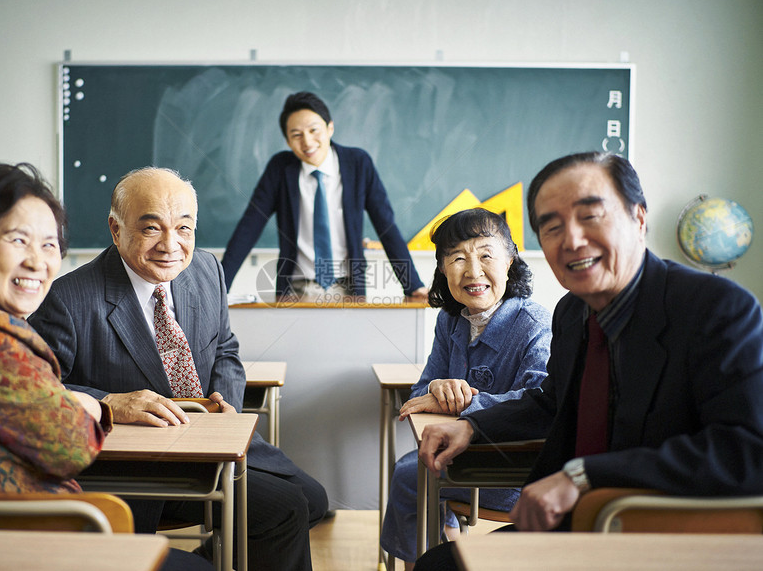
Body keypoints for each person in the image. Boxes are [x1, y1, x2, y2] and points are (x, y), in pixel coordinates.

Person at [415, 152, 763, 569]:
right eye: (552, 226)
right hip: (576, 526)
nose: (572, 240)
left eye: (590, 217)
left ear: (638, 218)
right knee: (438, 565)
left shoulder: (715, 307)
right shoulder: (572, 312)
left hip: (665, 533)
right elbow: (550, 402)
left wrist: (584, 476)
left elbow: (746, 448)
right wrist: (473, 425)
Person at [0, 163, 212, 571]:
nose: (37, 261)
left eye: (50, 245)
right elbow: (71, 448)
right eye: (18, 240)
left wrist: (74, 400)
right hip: (7, 541)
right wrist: (94, 406)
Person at [28, 166, 328, 571]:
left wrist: (227, 407)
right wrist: (113, 403)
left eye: (184, 228)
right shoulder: (68, 298)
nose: (171, 245)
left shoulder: (206, 270)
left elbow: (225, 348)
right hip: (137, 464)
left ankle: (215, 558)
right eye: (151, 228)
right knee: (286, 509)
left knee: (314, 500)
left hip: (211, 441)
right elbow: (40, 392)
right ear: (116, 230)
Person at [379, 208, 552, 569]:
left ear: (509, 261)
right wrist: (438, 387)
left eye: (486, 255)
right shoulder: (451, 320)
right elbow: (420, 395)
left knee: (412, 474)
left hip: (516, 467)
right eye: (457, 258)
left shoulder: (535, 323)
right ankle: (444, 547)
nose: (473, 271)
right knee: (413, 467)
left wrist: (464, 403)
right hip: (465, 457)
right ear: (443, 268)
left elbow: (541, 397)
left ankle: (435, 555)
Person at [220, 91, 428, 300]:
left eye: (314, 130)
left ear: (330, 127)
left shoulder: (358, 163)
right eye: (297, 135)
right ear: (288, 140)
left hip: (349, 287)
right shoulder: (280, 168)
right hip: (295, 289)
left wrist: (413, 285)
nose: (308, 142)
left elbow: (386, 226)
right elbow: (248, 228)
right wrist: (219, 286)